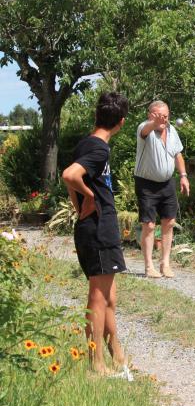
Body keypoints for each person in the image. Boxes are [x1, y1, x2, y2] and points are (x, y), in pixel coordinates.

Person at [62, 92, 130, 375]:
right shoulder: (100, 149)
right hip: (99, 228)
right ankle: (96, 364)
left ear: (96, 115)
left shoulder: (86, 144)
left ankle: (117, 355)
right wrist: (89, 198)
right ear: (122, 122)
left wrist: (80, 202)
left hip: (95, 227)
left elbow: (70, 181)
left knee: (109, 297)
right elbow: (70, 175)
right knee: (99, 298)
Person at [134, 100, 190, 278]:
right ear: (150, 115)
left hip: (167, 183)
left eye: (165, 116)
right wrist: (154, 123)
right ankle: (149, 266)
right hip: (146, 183)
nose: (163, 119)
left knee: (169, 222)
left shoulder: (172, 130)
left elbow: (177, 154)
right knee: (149, 225)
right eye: (159, 116)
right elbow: (145, 130)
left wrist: (183, 176)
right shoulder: (145, 128)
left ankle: (165, 263)